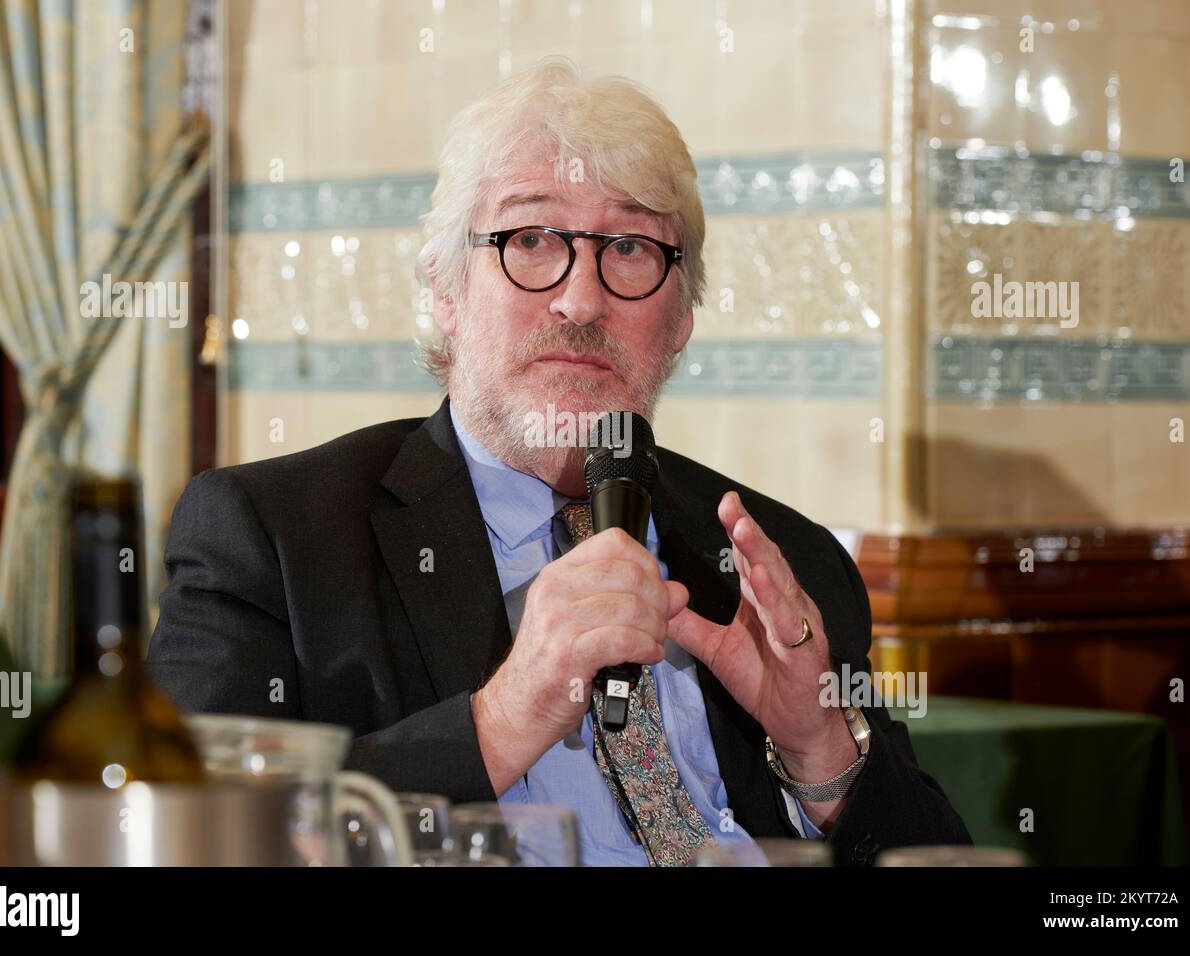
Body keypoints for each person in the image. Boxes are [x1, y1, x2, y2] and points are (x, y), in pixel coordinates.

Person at [149, 56, 969, 866]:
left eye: (631, 248)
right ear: (445, 290)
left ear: (681, 320)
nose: (582, 299)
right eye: (531, 239)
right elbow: (189, 841)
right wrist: (508, 713)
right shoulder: (273, 539)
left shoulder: (780, 560)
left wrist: (818, 747)